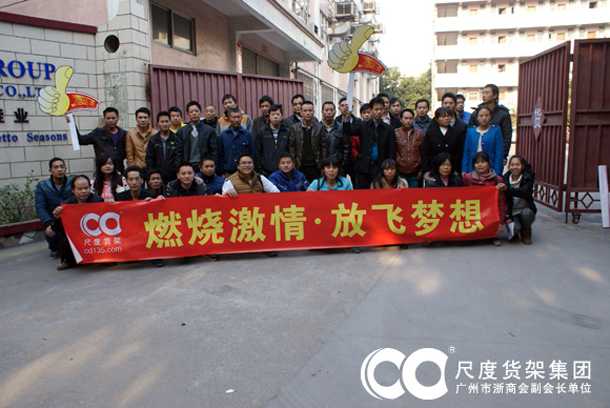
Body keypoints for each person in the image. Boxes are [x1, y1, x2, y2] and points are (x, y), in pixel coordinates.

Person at [51, 175, 104, 270]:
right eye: (79, 189)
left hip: (94, 232)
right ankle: (68, 261)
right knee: (64, 238)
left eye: (86, 188)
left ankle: (106, 258)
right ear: (73, 190)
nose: (83, 191)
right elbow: (58, 228)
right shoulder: (66, 205)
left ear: (90, 188)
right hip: (76, 234)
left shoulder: (98, 201)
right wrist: (57, 218)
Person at [343, 96, 396, 189]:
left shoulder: (389, 129)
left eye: (381, 109)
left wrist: (389, 167)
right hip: (363, 167)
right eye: (376, 109)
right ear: (371, 110)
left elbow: (391, 151)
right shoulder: (362, 125)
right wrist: (347, 117)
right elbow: (347, 131)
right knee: (363, 193)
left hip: (380, 167)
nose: (379, 112)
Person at [462, 151, 508, 246]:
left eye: (483, 162)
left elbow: (501, 202)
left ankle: (492, 236)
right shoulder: (468, 178)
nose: (480, 165)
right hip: (473, 210)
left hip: (489, 211)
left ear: (489, 163)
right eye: (477, 162)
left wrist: (500, 223)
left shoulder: (497, 179)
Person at [35, 157, 74, 259]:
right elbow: (40, 207)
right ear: (50, 170)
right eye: (56, 167)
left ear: (65, 169)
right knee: (52, 232)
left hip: (71, 219)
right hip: (53, 219)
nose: (59, 169)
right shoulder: (43, 186)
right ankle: (54, 248)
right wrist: (48, 223)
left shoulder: (73, 184)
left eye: (61, 167)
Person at [68, 107, 127, 173]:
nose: (111, 120)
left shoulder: (124, 134)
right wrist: (72, 124)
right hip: (103, 171)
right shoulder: (98, 133)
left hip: (119, 170)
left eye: (113, 118)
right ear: (104, 119)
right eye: (108, 118)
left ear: (118, 118)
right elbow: (81, 140)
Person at [468, 84, 513, 163]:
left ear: (495, 95)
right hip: (477, 154)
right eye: (483, 93)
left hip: (495, 154)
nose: (484, 95)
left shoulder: (503, 114)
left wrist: (503, 155)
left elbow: (506, 137)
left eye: (487, 93)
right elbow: (469, 135)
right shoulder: (475, 114)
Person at [288, 100, 328, 182]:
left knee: (316, 188)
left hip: (316, 166)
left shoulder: (320, 128)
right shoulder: (294, 128)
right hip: (300, 166)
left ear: (313, 112)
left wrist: (323, 165)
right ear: (301, 112)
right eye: (305, 111)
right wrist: (293, 165)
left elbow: (324, 148)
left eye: (310, 110)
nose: (308, 113)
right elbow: (292, 148)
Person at [175, 101, 218, 172]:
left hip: (205, 167)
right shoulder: (181, 132)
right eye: (191, 112)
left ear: (201, 113)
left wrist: (214, 168)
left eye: (196, 111)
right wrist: (178, 169)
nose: (194, 113)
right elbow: (178, 153)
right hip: (187, 167)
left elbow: (214, 151)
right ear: (187, 114)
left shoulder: (209, 130)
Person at [503, 155, 537, 245]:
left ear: (523, 166)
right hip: (513, 211)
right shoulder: (505, 179)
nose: (514, 167)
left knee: (526, 213)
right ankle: (516, 230)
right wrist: (508, 217)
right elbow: (505, 201)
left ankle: (526, 232)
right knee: (515, 230)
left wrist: (507, 189)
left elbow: (525, 192)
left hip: (526, 209)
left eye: (517, 165)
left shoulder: (528, 177)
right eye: (512, 165)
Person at [421, 107, 464, 175]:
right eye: (443, 117)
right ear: (437, 119)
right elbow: (425, 153)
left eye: (448, 116)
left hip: (451, 169)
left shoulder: (456, 133)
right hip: (434, 169)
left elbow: (460, 153)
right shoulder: (430, 132)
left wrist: (457, 170)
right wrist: (426, 171)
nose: (446, 118)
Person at [462, 106, 504, 176]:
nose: (484, 118)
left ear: (490, 116)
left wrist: (497, 172)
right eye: (481, 116)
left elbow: (499, 153)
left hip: (490, 169)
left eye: (487, 115)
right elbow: (466, 152)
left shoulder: (495, 130)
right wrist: (464, 169)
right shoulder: (470, 131)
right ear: (477, 117)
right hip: (472, 169)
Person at [217, 107, 256, 176]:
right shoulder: (223, 136)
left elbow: (252, 154)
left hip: (245, 172)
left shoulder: (248, 135)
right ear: (228, 119)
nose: (236, 120)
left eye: (238, 117)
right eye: (234, 117)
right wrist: (221, 173)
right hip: (228, 172)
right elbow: (220, 155)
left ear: (241, 118)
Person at [255, 103, 290, 177]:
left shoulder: (287, 132)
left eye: (278, 114)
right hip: (266, 172)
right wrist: (260, 169)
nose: (275, 117)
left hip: (284, 171)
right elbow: (258, 152)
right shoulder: (262, 132)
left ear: (282, 116)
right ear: (269, 116)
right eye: (273, 114)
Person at [146, 110, 178, 185]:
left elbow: (179, 157)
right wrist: (151, 174)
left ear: (170, 122)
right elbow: (149, 158)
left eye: (166, 121)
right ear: (157, 123)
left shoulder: (176, 139)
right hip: (157, 177)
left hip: (173, 176)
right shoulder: (153, 140)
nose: (164, 124)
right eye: (162, 122)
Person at [395, 108, 424, 187]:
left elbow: (423, 152)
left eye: (410, 118)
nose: (408, 121)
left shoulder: (419, 133)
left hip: (415, 174)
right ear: (401, 119)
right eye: (406, 118)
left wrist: (422, 170)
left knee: (414, 194)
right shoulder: (395, 133)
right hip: (400, 173)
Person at [321, 101, 349, 175]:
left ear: (335, 112)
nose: (329, 112)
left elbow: (346, 147)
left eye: (331, 110)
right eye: (326, 110)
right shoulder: (318, 127)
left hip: (337, 165)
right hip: (322, 167)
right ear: (322, 112)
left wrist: (342, 165)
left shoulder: (341, 127)